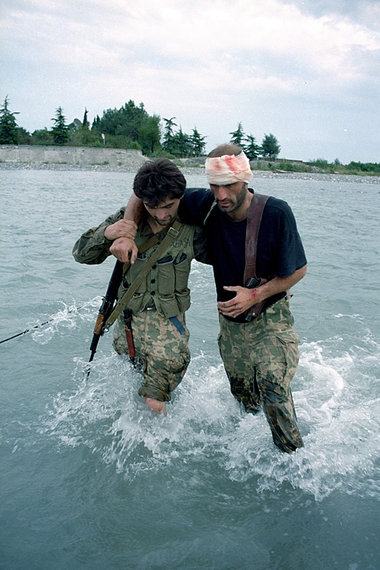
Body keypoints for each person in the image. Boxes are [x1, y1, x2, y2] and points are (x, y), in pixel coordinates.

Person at [118, 145, 307, 453]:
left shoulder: (275, 213)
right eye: (214, 185)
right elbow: (145, 194)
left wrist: (254, 294)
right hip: (231, 323)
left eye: (229, 185)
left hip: (269, 316)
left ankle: (293, 460)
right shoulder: (206, 204)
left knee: (273, 387)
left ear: (245, 179)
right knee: (245, 398)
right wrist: (127, 230)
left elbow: (298, 269)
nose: (221, 195)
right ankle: (253, 452)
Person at [73, 159, 208, 415]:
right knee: (134, 388)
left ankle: (163, 449)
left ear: (180, 196)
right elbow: (81, 254)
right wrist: (108, 233)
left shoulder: (193, 226)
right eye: (152, 206)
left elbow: (227, 257)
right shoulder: (127, 221)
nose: (160, 214)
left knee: (155, 400)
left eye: (168, 206)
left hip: (169, 329)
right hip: (127, 328)